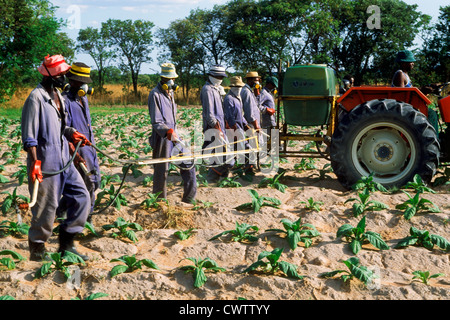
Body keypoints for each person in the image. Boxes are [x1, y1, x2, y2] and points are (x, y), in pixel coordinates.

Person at [21, 54, 91, 261]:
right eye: (61, 74)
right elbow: (29, 137)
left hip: (64, 158)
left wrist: (72, 135)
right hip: (46, 161)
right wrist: (35, 163)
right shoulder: (36, 98)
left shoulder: (58, 96)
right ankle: (37, 248)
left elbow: (62, 127)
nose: (64, 78)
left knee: (82, 197)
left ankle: (66, 243)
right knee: (46, 207)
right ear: (50, 75)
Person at [148, 63, 196, 204]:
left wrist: (174, 134)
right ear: (162, 79)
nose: (172, 82)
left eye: (173, 79)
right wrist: (168, 132)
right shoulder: (155, 94)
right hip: (162, 137)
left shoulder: (171, 93)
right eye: (169, 79)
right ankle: (159, 201)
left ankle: (189, 198)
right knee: (162, 170)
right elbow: (156, 121)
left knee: (188, 162)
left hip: (174, 134)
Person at [62, 62, 100, 221]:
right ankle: (84, 218)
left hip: (89, 148)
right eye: (81, 81)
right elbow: (64, 131)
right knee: (84, 186)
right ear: (72, 82)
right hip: (77, 151)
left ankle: (76, 214)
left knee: (94, 182)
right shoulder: (65, 101)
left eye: (85, 82)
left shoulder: (83, 99)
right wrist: (74, 153)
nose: (84, 85)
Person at [391, 50, 439, 133]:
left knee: (432, 112)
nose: (413, 63)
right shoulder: (400, 74)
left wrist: (427, 87)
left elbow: (411, 89)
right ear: (403, 63)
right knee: (431, 113)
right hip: (404, 106)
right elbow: (402, 94)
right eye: (410, 61)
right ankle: (435, 139)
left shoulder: (405, 75)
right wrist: (422, 90)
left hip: (410, 104)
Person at [200, 65, 232, 183]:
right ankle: (211, 178)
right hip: (213, 128)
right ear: (212, 75)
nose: (220, 78)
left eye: (222, 76)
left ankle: (221, 180)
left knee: (219, 155)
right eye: (218, 76)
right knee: (226, 157)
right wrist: (217, 128)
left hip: (220, 127)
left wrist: (225, 124)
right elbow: (209, 114)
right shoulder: (207, 90)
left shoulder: (216, 89)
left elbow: (221, 111)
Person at [223, 76, 248, 166]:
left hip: (239, 127)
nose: (239, 89)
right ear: (232, 87)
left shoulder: (238, 98)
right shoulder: (229, 98)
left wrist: (246, 125)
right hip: (233, 128)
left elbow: (240, 115)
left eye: (240, 87)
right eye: (237, 87)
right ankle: (235, 166)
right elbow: (229, 116)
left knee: (241, 147)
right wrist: (235, 130)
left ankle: (239, 165)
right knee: (235, 147)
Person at [241, 71, 262, 173]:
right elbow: (249, 113)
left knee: (254, 145)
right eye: (256, 80)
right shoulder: (246, 92)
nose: (257, 82)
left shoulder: (251, 91)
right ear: (250, 80)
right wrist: (256, 125)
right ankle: (249, 167)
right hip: (251, 124)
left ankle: (252, 165)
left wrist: (257, 92)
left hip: (253, 123)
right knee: (252, 146)